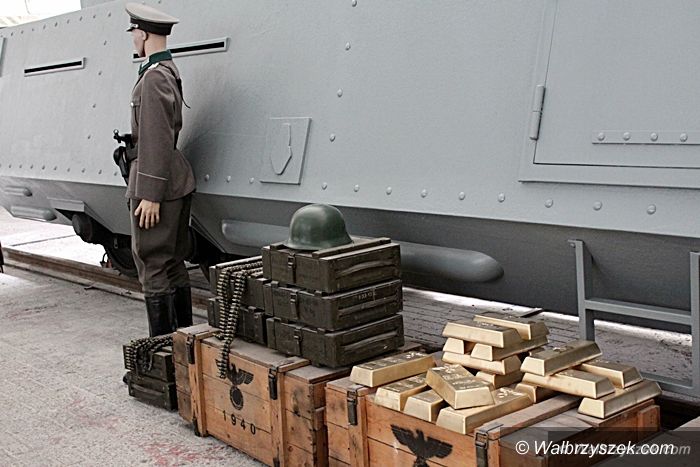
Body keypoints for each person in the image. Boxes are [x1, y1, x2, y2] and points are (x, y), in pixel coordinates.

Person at [124, 2, 196, 336]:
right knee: (172, 261)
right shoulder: (167, 70)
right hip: (174, 179)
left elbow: (155, 137)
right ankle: (183, 344)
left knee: (152, 261)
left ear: (142, 34)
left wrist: (150, 195)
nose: (132, 39)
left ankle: (163, 348)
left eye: (133, 33)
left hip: (157, 185)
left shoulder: (153, 78)